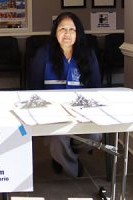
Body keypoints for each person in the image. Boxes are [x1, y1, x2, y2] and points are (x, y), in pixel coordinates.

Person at [29, 12, 102, 178]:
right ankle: (73, 167)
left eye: (71, 29)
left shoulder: (88, 54)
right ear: (55, 32)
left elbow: (96, 88)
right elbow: (34, 87)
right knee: (57, 140)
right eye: (62, 29)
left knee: (95, 135)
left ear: (78, 33)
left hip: (82, 113)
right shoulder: (43, 54)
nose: (67, 33)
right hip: (52, 114)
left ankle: (62, 155)